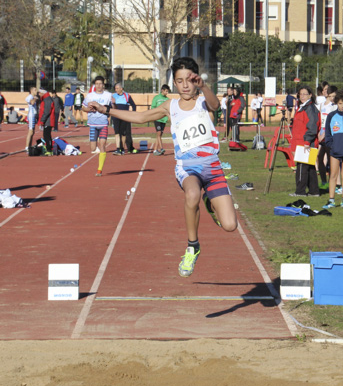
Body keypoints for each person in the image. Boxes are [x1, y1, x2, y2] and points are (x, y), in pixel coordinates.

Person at [87, 57, 237, 277]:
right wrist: (105, 109)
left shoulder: (204, 101)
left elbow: (215, 105)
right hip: (187, 168)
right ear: (174, 83)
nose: (185, 85)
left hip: (212, 168)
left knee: (230, 226)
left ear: (196, 80)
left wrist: (204, 86)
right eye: (179, 81)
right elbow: (139, 117)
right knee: (192, 192)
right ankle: (192, 247)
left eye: (189, 80)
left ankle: (210, 202)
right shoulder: (170, 106)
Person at [289, 84, 320, 197]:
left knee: (302, 167)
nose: (302, 96)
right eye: (300, 94)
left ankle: (300, 191)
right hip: (302, 141)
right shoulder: (302, 107)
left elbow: (312, 126)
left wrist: (307, 141)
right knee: (310, 168)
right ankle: (314, 191)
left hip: (306, 142)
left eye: (304, 94)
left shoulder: (310, 109)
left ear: (310, 95)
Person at [82, 76, 112, 175]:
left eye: (100, 84)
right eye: (97, 84)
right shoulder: (90, 96)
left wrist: (113, 105)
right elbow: (83, 107)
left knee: (102, 145)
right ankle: (99, 152)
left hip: (103, 123)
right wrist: (90, 109)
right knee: (93, 148)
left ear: (103, 85)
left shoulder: (108, 95)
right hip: (92, 124)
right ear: (94, 85)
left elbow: (113, 107)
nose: (98, 86)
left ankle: (99, 170)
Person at [317, 86, 337, 187]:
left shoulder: (333, 106)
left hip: (328, 136)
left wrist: (324, 134)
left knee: (331, 159)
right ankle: (323, 181)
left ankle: (332, 182)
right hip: (320, 135)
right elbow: (319, 120)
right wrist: (318, 133)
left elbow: (331, 123)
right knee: (319, 158)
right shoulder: (321, 105)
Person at [111, 83, 137, 155]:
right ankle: (118, 149)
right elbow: (110, 105)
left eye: (117, 88)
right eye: (115, 88)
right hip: (116, 116)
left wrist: (133, 113)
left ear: (121, 89)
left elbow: (133, 105)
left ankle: (122, 148)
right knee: (117, 132)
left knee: (123, 133)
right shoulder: (113, 96)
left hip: (125, 116)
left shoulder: (127, 95)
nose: (116, 90)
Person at [150, 84, 171, 155]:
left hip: (164, 120)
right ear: (162, 90)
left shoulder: (167, 100)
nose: (166, 93)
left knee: (159, 135)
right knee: (158, 133)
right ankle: (161, 148)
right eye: (166, 91)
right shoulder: (156, 98)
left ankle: (155, 150)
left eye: (167, 91)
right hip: (157, 119)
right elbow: (153, 107)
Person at [38, 88, 57, 153]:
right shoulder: (46, 99)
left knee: (47, 136)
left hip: (48, 121)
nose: (39, 94)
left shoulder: (47, 100)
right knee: (47, 135)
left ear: (43, 93)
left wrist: (42, 121)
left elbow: (46, 111)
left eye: (39, 93)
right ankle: (49, 148)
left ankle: (49, 149)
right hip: (47, 120)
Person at [24, 86, 38, 151]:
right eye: (35, 90)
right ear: (31, 91)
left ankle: (30, 145)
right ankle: (27, 147)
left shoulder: (32, 97)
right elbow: (31, 102)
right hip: (31, 115)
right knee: (30, 131)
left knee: (33, 132)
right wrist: (35, 99)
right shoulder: (30, 97)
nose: (36, 91)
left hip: (34, 115)